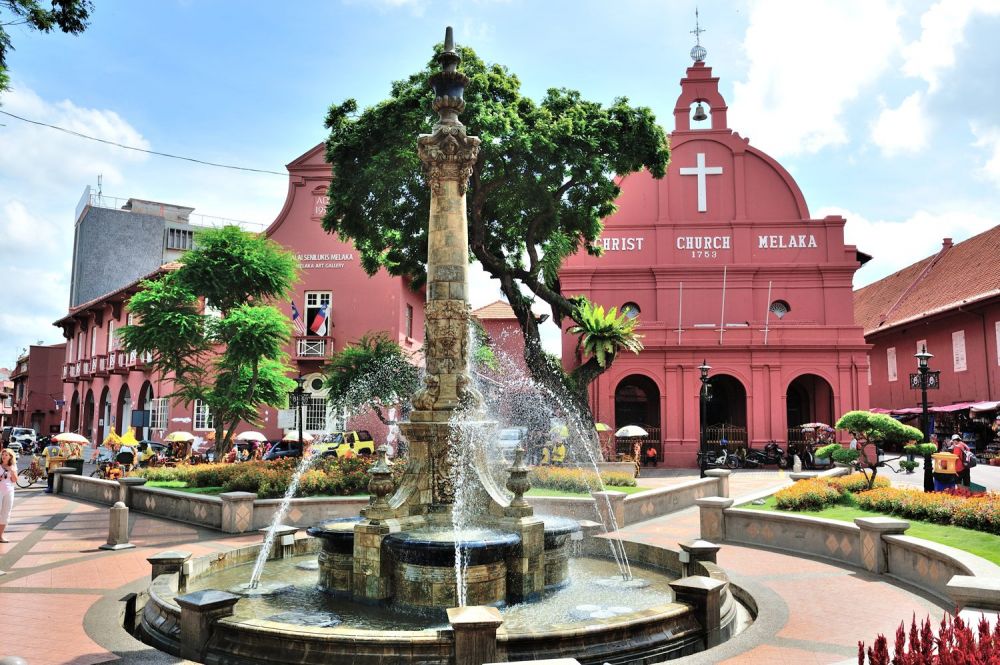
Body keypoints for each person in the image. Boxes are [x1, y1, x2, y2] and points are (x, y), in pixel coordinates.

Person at [0, 448, 17, 543]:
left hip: (9, 491)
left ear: (10, 456)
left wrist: (11, 470)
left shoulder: (13, 466)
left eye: (6, 455)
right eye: (3, 454)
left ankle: (0, 536)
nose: (4, 456)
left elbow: (14, 480)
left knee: (6, 513)